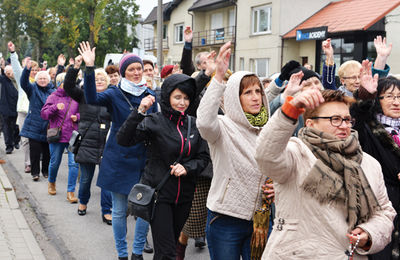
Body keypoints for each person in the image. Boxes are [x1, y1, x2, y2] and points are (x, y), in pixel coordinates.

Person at [255, 88, 395, 259]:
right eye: (335, 119)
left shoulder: (368, 163)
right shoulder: (296, 153)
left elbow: (384, 213)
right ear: (310, 123)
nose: (344, 125)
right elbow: (265, 155)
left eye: (347, 119)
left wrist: (368, 233)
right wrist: (289, 111)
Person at [117, 72, 210, 260]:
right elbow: (123, 139)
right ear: (167, 96)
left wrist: (188, 168)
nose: (182, 102)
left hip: (184, 196)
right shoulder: (154, 121)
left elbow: (203, 157)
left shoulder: (193, 124)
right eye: (177, 97)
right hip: (160, 195)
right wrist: (140, 111)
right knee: (167, 252)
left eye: (186, 98)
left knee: (168, 248)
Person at [79, 41, 157, 260]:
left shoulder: (150, 94)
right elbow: (92, 98)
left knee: (143, 210)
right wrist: (89, 67)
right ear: (123, 72)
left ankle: (137, 253)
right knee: (120, 211)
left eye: (138, 69)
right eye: (131, 69)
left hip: (143, 160)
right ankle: (122, 254)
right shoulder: (114, 93)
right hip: (118, 158)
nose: (135, 72)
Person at [197, 41, 272, 260]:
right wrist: (218, 77)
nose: (256, 97)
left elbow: (281, 165)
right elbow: (203, 122)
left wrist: (276, 185)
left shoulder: (267, 128)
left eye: (258, 91)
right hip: (225, 218)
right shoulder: (222, 126)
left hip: (260, 219)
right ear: (234, 97)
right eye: (248, 92)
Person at [351, 61, 400, 259]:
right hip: (380, 202)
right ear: (378, 100)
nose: (396, 102)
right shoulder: (369, 127)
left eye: (399, 96)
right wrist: (365, 94)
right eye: (389, 97)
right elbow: (359, 112)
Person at [63, 55, 113, 223]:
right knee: (85, 179)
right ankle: (83, 202)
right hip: (87, 143)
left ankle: (107, 210)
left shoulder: (112, 97)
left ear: (107, 82)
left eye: (102, 79)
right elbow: (68, 86)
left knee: (106, 181)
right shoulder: (84, 95)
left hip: (106, 144)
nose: (99, 81)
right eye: (96, 79)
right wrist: (75, 67)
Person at [40, 72, 80, 203]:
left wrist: (77, 117)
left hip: (72, 136)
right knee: (55, 162)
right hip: (57, 136)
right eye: (65, 82)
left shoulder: (76, 97)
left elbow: (84, 112)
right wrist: (55, 108)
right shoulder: (53, 96)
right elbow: (44, 114)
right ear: (59, 84)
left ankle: (71, 192)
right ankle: (51, 182)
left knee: (73, 164)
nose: (68, 85)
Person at [20, 58, 55, 181]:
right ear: (36, 80)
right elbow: (23, 83)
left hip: (48, 126)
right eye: (40, 78)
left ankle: (45, 170)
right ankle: (35, 173)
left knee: (47, 152)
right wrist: (26, 69)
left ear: (48, 80)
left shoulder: (53, 91)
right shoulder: (32, 89)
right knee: (34, 151)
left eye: (45, 78)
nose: (42, 80)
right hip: (34, 124)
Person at [8, 41, 31, 172]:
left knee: (38, 141)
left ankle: (39, 162)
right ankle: (28, 163)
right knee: (26, 139)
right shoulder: (23, 80)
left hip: (37, 113)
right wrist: (13, 53)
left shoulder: (41, 80)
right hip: (23, 112)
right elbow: (16, 68)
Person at [0, 65, 20, 154]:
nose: (9, 74)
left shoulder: (18, 80)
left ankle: (16, 141)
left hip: (17, 107)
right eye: (7, 73)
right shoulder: (4, 80)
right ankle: (9, 146)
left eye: (11, 72)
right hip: (6, 108)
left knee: (16, 127)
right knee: (7, 128)